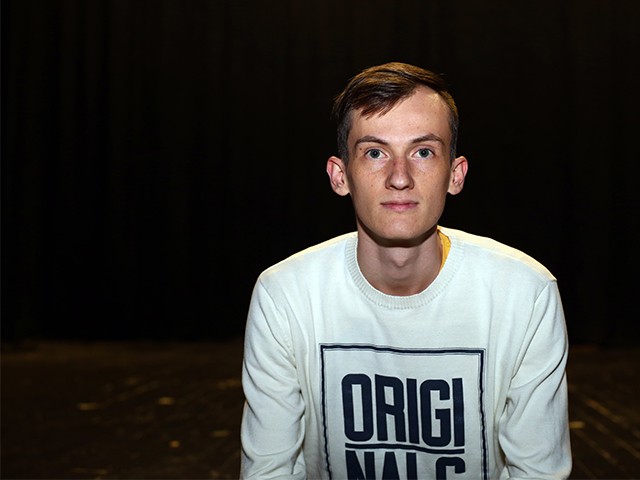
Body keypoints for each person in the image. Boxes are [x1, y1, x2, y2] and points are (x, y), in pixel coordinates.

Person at [240, 62, 571, 479]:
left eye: (423, 152)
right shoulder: (285, 295)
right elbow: (268, 470)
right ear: (340, 176)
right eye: (375, 152)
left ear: (455, 175)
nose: (400, 177)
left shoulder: (525, 293)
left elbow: (536, 472)